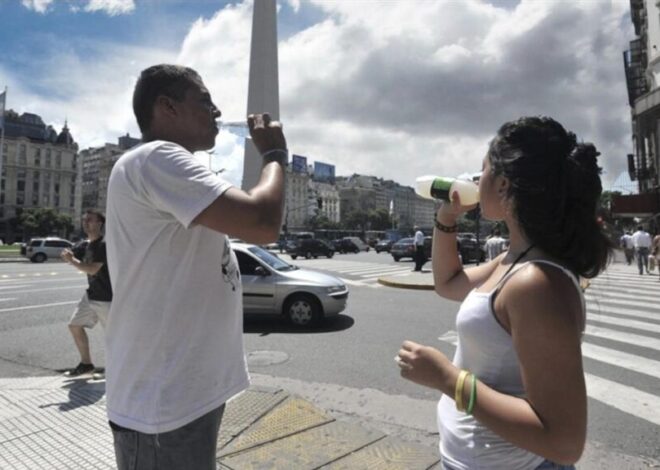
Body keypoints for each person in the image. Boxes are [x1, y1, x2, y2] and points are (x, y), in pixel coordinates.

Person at [396, 117, 611, 469]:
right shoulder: (515, 260)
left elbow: (564, 441)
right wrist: (447, 217)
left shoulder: (536, 283)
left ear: (503, 185)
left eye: (483, 170)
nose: (476, 181)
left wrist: (447, 379)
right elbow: (448, 281)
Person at [104, 64, 287, 470]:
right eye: (204, 100)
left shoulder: (166, 168)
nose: (217, 110)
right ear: (166, 107)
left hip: (180, 399)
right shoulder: (157, 158)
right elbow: (261, 221)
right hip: (162, 409)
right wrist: (274, 155)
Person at [60, 210, 112, 378]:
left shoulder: (104, 244)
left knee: (113, 337)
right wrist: (69, 255)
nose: (86, 223)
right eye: (84, 220)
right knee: (75, 325)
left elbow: (92, 268)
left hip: (107, 298)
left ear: (100, 223)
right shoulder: (86, 244)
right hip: (92, 295)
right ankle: (86, 364)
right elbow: (72, 252)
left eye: (90, 220)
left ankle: (114, 372)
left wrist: (72, 261)